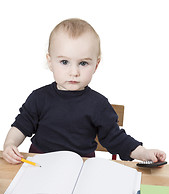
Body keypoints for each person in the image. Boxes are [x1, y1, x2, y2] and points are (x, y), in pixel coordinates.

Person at [3, 18, 166, 164]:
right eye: (64, 62)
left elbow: (116, 139)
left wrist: (144, 153)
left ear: (96, 65)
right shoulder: (38, 98)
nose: (74, 72)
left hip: (81, 169)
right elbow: (21, 126)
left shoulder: (98, 104)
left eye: (83, 63)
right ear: (50, 62)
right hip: (40, 166)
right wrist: (10, 144)